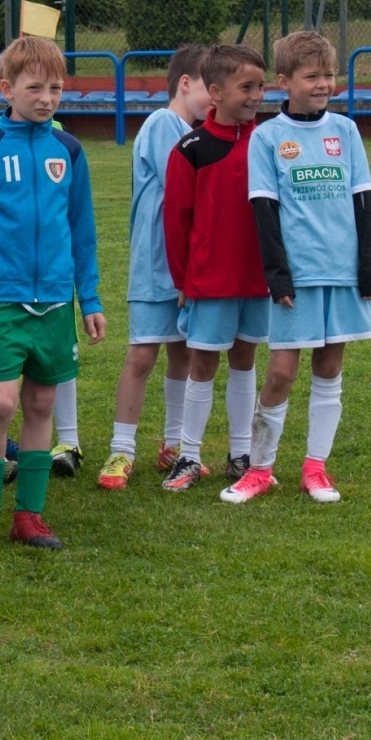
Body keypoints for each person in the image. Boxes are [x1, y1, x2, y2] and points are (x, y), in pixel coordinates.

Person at [0, 36, 104, 559]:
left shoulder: (69, 149)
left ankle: (29, 517)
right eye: (35, 88)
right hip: (0, 300)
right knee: (0, 403)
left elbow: (82, 231)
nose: (47, 98)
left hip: (55, 302)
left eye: (56, 88)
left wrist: (92, 299)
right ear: (6, 88)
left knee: (40, 403)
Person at [240, 30, 371, 505]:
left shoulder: (346, 131)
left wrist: (368, 268)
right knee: (281, 371)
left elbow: (364, 201)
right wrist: (277, 274)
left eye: (329, 75)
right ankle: (259, 469)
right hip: (295, 277)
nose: (323, 84)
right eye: (312, 76)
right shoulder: (268, 137)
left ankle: (315, 469)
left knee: (330, 366)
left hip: (341, 273)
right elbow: (263, 208)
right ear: (284, 81)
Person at [97, 45, 212, 491]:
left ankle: (174, 445)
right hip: (155, 265)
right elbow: (187, 186)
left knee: (182, 353)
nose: (214, 100)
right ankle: (121, 449)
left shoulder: (190, 129)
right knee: (143, 354)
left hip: (186, 267)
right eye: (208, 89)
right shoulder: (165, 124)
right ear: (185, 84)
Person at [158, 45, 271, 492]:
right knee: (202, 365)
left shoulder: (268, 141)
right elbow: (176, 219)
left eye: (261, 86)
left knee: (245, 360)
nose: (257, 95)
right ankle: (187, 456)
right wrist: (183, 280)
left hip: (257, 279)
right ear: (216, 91)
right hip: (209, 281)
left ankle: (241, 454)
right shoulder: (191, 149)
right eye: (247, 87)